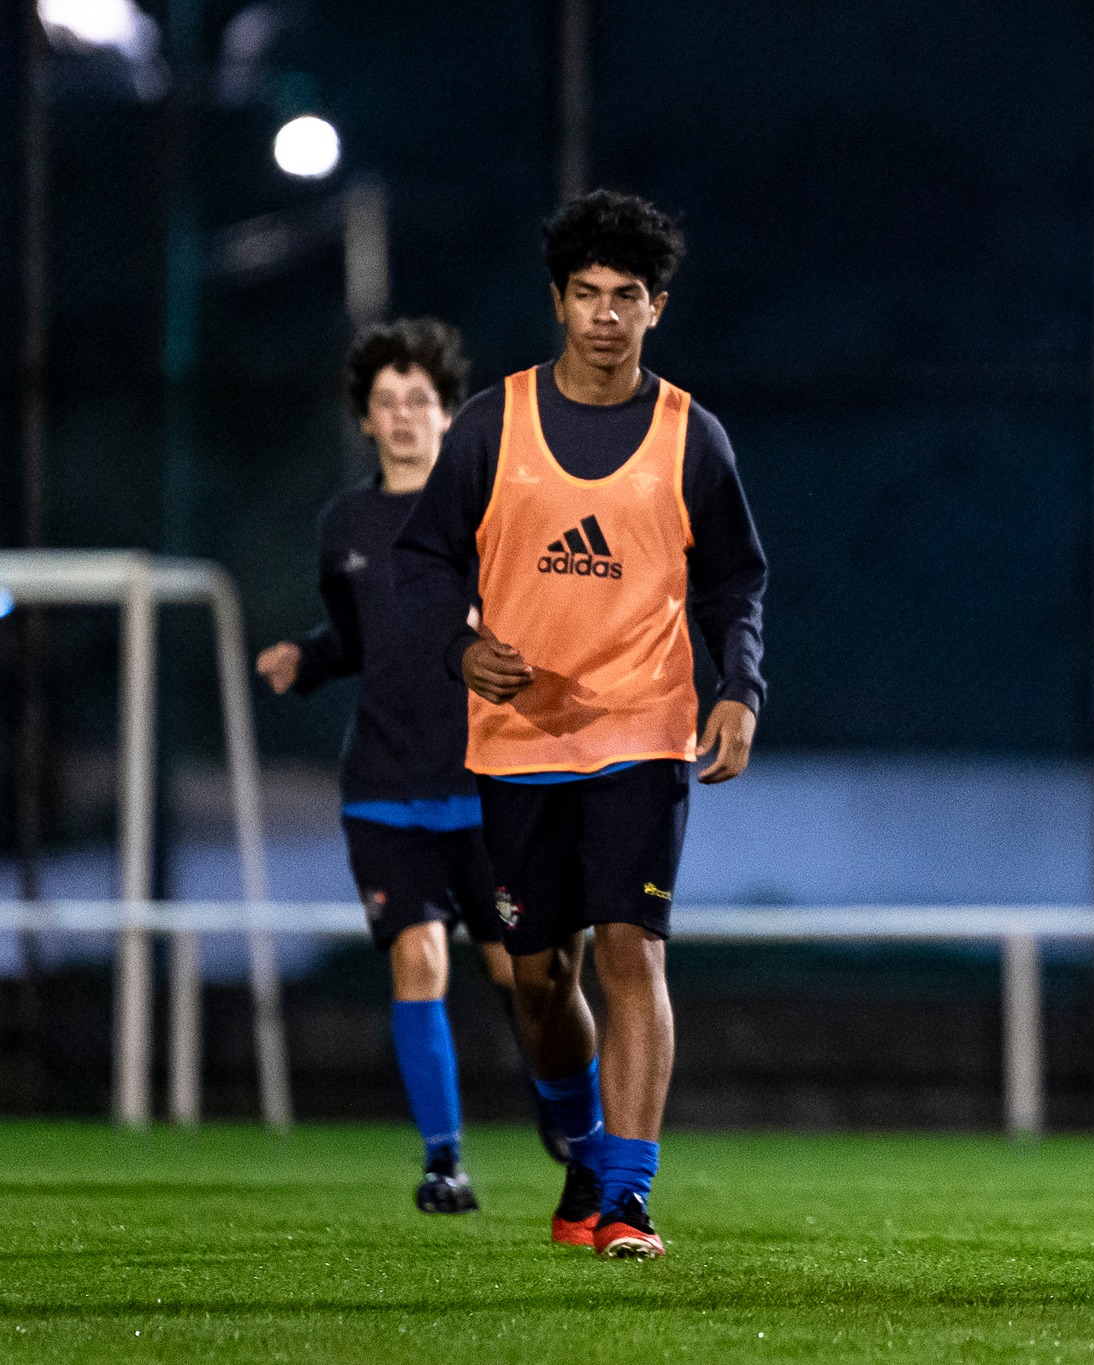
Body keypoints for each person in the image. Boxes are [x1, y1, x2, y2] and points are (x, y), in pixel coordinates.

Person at [395, 189, 768, 1260]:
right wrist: (462, 649)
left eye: (628, 298)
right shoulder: (491, 425)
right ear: (558, 301)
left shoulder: (691, 436)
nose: (605, 316)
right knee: (533, 976)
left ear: (656, 310)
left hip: (642, 732)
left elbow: (735, 581)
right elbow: (421, 560)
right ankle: (577, 1136)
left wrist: (738, 688)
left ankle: (628, 1195)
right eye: (586, 295)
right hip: (515, 744)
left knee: (628, 948)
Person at [258, 317, 562, 1213]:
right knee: (418, 960)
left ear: (445, 413)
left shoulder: (487, 516)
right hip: (386, 793)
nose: (402, 416)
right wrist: (308, 661)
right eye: (386, 402)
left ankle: (560, 1103)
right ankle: (444, 1161)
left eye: (418, 401)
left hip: (485, 788)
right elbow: (359, 640)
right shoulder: (345, 527)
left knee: (518, 970)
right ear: (365, 418)